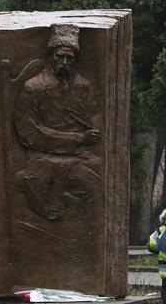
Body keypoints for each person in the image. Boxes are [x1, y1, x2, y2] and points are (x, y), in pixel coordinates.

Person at [13, 24, 101, 221]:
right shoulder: (33, 87)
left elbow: (95, 115)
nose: (64, 62)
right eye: (60, 56)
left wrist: (94, 130)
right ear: (50, 56)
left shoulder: (83, 86)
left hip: (79, 156)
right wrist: (77, 138)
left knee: (97, 180)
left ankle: (80, 226)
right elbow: (29, 133)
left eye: (70, 57)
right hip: (43, 156)